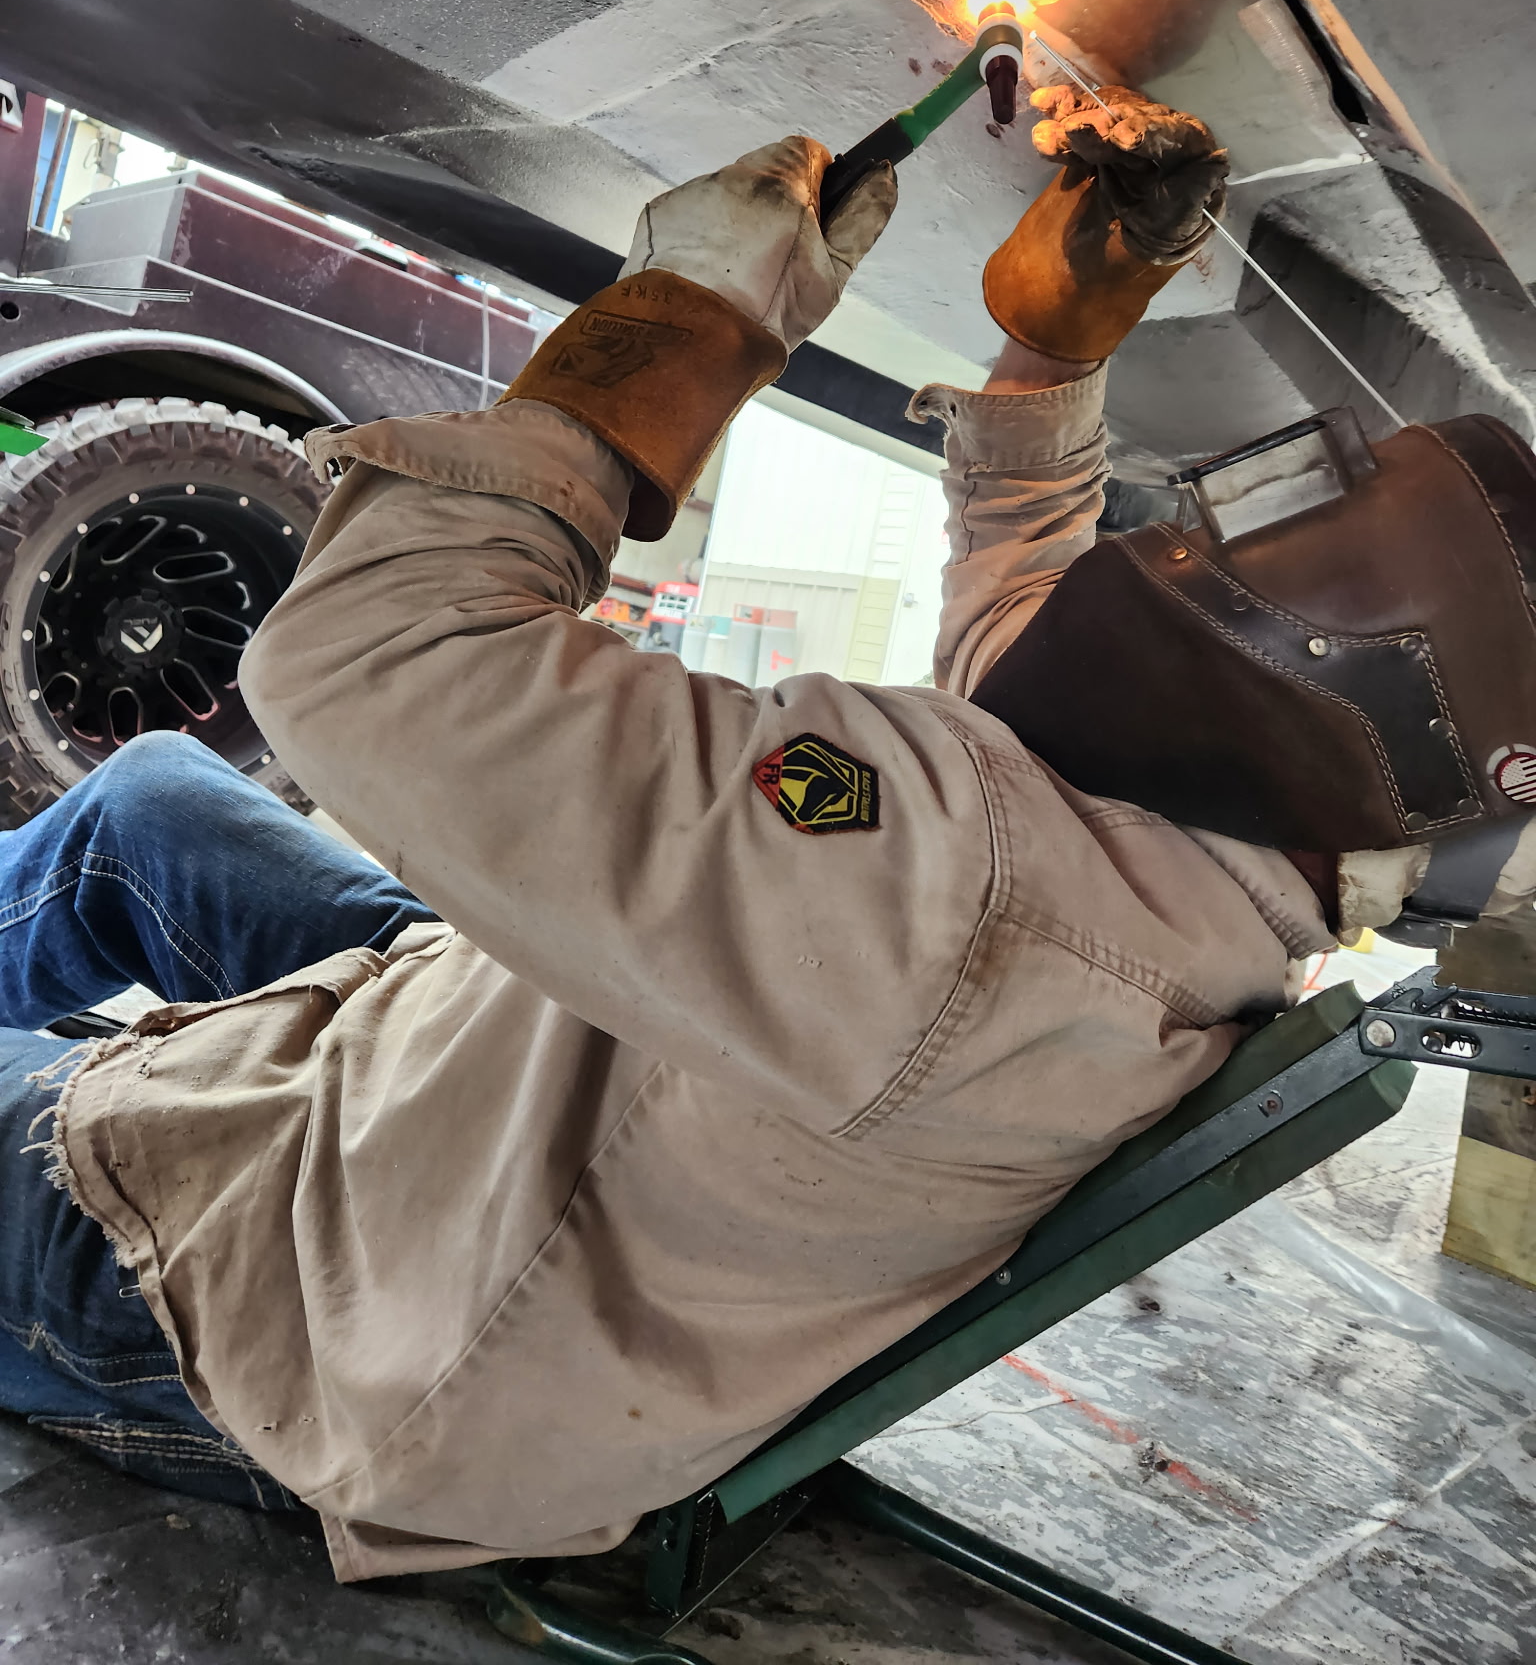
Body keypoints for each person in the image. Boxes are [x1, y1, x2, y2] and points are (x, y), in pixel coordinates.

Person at [0, 85, 1339, 1579]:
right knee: (153, 805)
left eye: (1241, 564)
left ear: (1298, 699)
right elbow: (1035, 653)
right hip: (539, 1084)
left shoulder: (958, 914)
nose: (1189, 547)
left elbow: (365, 655)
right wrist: (1051, 356)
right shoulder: (1180, 860)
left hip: (313, 1320)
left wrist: (691, 313)